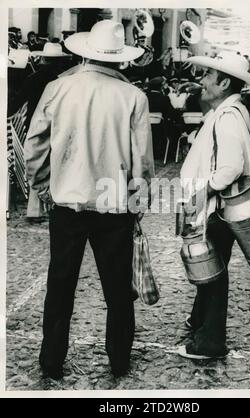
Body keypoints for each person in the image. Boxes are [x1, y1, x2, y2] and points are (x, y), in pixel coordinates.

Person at [24, 20, 154, 379]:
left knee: (60, 284)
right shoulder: (133, 97)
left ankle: (51, 359)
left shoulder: (58, 88)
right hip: (113, 207)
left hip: (67, 205)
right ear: (120, 59)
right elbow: (142, 161)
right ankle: (119, 360)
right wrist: (139, 199)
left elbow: (35, 145)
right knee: (117, 289)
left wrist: (45, 186)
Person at [177, 51, 250, 359]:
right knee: (213, 265)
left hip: (215, 206)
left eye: (208, 77)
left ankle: (210, 341)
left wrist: (200, 193)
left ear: (225, 82)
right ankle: (199, 320)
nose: (202, 82)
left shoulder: (228, 116)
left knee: (213, 271)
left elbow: (229, 167)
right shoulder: (231, 110)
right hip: (219, 206)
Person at [9, 42, 73, 222]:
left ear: (43, 58)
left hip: (35, 124)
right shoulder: (62, 80)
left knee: (37, 163)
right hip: (59, 125)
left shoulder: (33, 77)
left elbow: (18, 101)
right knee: (57, 163)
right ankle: (55, 203)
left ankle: (35, 210)